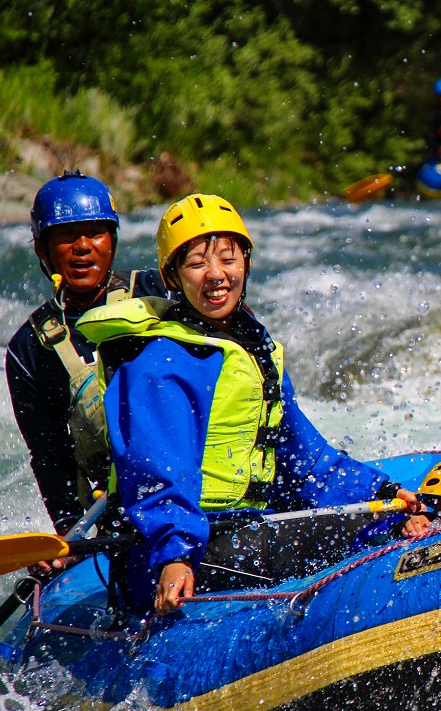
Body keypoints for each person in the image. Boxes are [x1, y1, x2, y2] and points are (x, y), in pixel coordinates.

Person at [76, 193, 420, 616]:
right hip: (176, 550)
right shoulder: (158, 365)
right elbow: (156, 475)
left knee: (383, 520)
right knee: (359, 532)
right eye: (197, 263)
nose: (216, 275)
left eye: (228, 259)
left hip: (242, 527)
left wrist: (382, 495)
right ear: (173, 277)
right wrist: (175, 554)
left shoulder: (255, 350)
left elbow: (305, 459)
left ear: (246, 264)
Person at [6, 171, 169, 541]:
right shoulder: (29, 349)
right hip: (120, 521)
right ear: (41, 249)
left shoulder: (157, 292)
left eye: (95, 232)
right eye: (66, 235)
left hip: (200, 489)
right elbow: (49, 454)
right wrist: (68, 531)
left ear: (112, 241)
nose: (83, 246)